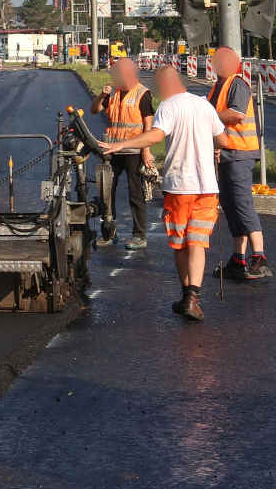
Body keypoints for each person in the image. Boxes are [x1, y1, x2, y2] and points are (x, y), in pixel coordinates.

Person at [101, 67, 230, 321]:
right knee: (198, 243)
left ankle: (187, 296)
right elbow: (223, 140)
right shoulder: (204, 106)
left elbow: (156, 135)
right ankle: (193, 297)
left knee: (181, 244)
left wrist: (123, 144)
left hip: (180, 186)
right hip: (207, 188)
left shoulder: (169, 106)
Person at [208, 46, 271, 280]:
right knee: (231, 206)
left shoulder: (237, 84)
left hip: (240, 153)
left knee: (242, 204)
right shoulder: (217, 87)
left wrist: (206, 116)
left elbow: (236, 114)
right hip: (226, 154)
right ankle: (238, 259)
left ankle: (259, 258)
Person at [90, 57, 154, 249]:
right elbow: (94, 110)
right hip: (113, 149)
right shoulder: (114, 93)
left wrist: (146, 151)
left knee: (136, 193)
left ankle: (139, 235)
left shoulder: (142, 93)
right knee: (106, 191)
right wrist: (101, 95)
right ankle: (109, 232)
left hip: (134, 150)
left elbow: (148, 124)